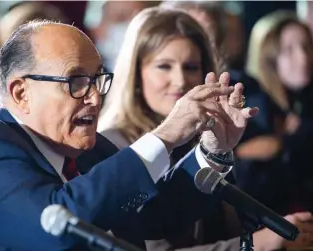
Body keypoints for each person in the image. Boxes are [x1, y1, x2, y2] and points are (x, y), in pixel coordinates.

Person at [0, 18, 258, 250]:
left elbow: (157, 216)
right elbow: (57, 227)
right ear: (21, 93)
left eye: (97, 79)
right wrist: (167, 135)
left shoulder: (91, 150)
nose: (94, 96)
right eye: (75, 81)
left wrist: (212, 153)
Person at [98, 7, 313, 251]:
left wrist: (280, 230)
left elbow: (226, 226)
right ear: (136, 74)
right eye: (164, 66)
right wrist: (253, 245)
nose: (180, 81)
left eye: (190, 67)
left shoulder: (205, 138)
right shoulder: (111, 145)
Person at [236, 10, 313, 214]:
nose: (303, 57)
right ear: (267, 57)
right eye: (288, 50)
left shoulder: (302, 103)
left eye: (306, 46)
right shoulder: (250, 103)